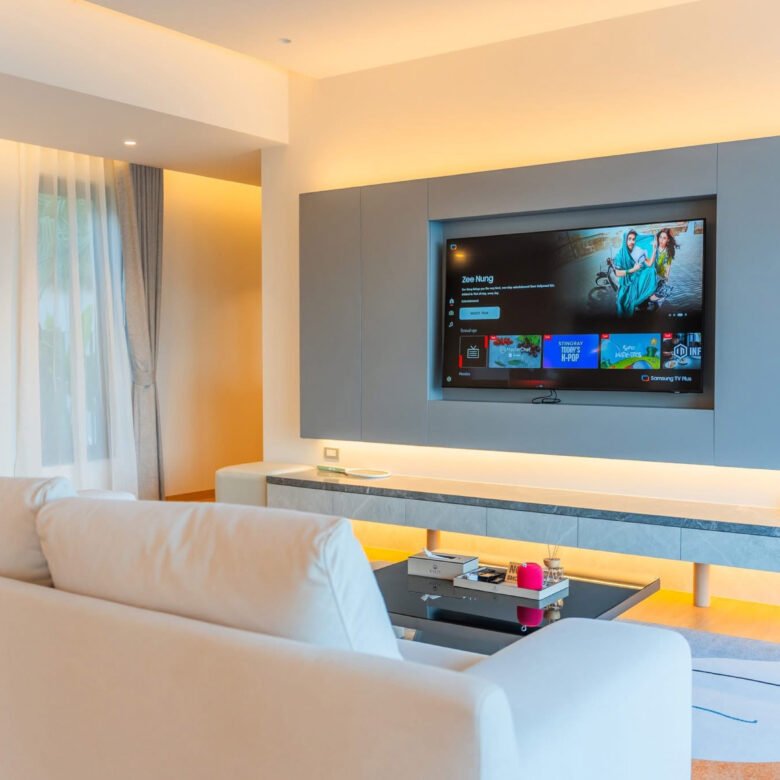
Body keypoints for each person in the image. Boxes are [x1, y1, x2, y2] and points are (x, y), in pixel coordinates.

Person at [612, 229, 657, 317]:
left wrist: (654, 250)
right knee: (624, 304)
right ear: (625, 240)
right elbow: (617, 273)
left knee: (651, 270)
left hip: (636, 278)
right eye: (629, 239)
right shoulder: (620, 254)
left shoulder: (638, 251)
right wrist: (633, 269)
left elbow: (649, 264)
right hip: (626, 283)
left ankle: (649, 295)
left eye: (634, 239)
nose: (632, 242)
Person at [648, 228, 679, 302]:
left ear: (668, 240)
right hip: (651, 273)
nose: (661, 240)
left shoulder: (668, 251)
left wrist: (666, 279)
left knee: (659, 293)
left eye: (664, 238)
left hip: (660, 275)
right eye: (660, 237)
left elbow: (668, 266)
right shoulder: (654, 246)